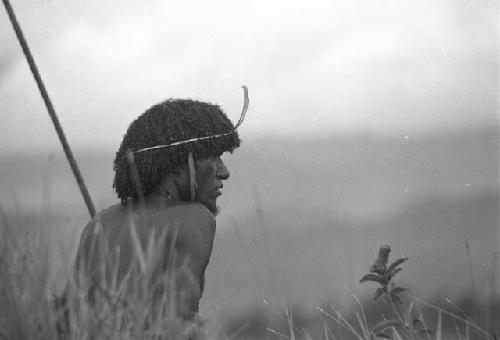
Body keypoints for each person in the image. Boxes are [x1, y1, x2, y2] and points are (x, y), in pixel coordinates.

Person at [72, 92, 247, 338]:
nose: (224, 172)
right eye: (214, 158)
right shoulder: (194, 218)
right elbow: (178, 324)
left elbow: (74, 318)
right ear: (178, 165)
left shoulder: (98, 223)